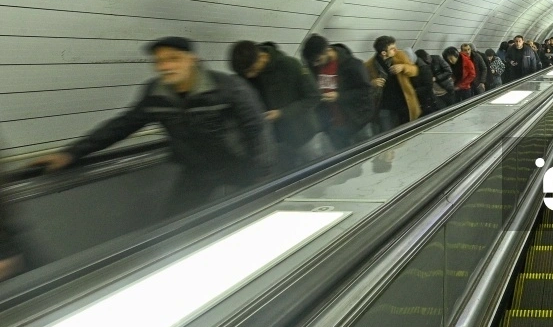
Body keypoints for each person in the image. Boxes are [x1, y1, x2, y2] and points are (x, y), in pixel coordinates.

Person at [31, 37, 272, 219]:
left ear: (193, 60)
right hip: (196, 169)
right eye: (159, 61)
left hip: (239, 164)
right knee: (175, 224)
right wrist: (71, 153)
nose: (165, 66)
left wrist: (260, 170)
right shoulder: (156, 94)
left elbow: (255, 127)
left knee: (252, 216)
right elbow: (122, 125)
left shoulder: (228, 88)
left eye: (173, 58)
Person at [230, 40, 321, 172]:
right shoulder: (249, 77)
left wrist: (282, 113)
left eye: (252, 70)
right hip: (279, 142)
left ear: (263, 57)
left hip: (305, 136)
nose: (250, 75)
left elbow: (314, 97)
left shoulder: (290, 65)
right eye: (246, 73)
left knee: (319, 173)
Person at [301, 35, 373, 150]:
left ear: (327, 51)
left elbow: (366, 91)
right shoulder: (315, 67)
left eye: (318, 60)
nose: (315, 64)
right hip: (333, 127)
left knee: (366, 157)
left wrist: (339, 96)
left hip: (357, 123)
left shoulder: (353, 65)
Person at [365, 36, 421, 132]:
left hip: (403, 101)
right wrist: (372, 83)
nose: (396, 50)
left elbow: (414, 70)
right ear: (383, 53)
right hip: (384, 104)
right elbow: (364, 83)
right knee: (388, 132)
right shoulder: (370, 65)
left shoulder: (400, 56)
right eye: (392, 49)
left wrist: (403, 67)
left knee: (407, 129)